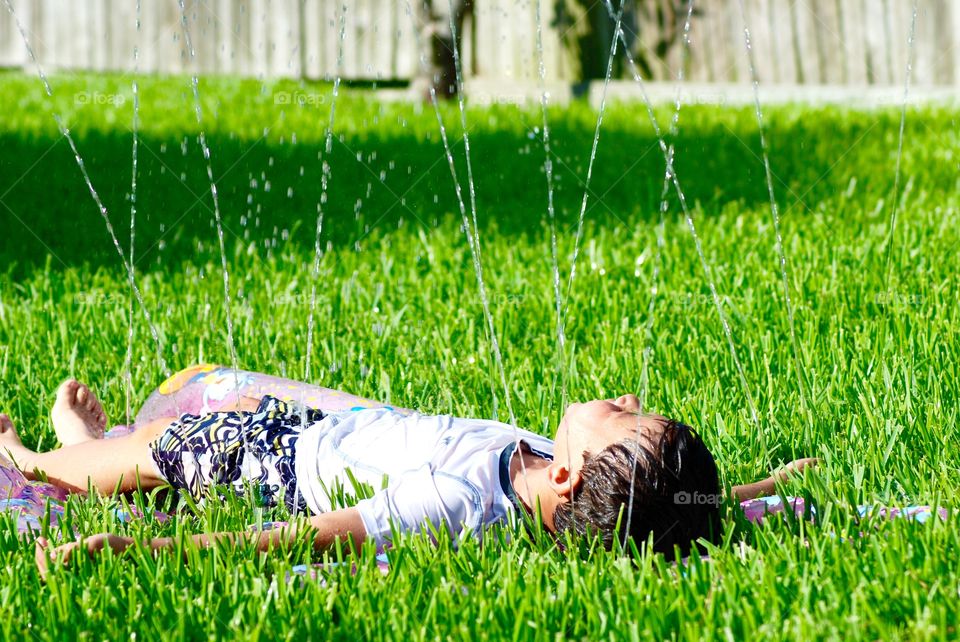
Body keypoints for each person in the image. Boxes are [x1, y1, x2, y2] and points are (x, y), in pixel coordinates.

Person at [0, 367, 814, 577]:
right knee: (144, 448)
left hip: (262, 455)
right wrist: (748, 493)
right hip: (335, 429)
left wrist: (138, 554)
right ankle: (93, 444)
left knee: (126, 462)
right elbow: (655, 509)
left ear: (570, 478)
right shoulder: (549, 479)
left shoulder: (458, 503)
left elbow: (306, 536)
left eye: (624, 414)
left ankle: (44, 451)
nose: (626, 395)